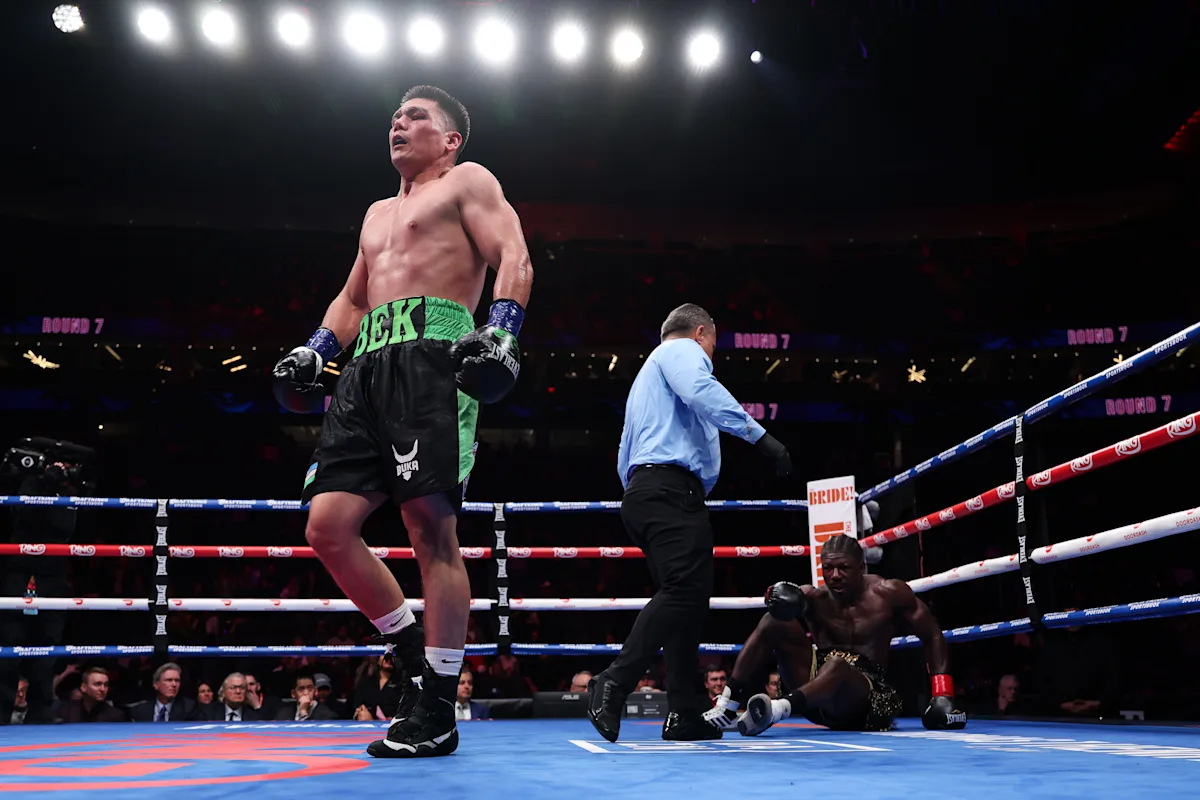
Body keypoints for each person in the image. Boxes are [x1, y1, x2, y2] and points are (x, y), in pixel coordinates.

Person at [273, 84, 532, 759]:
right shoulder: (377, 212)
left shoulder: (467, 181)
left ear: (450, 140)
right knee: (326, 526)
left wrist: (502, 330)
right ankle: (415, 659)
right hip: (365, 367)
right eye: (395, 115)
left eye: (417, 116)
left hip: (434, 356)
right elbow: (353, 297)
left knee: (430, 530)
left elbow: (513, 254)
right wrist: (316, 349)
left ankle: (439, 707)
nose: (399, 122)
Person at [587, 303, 793, 743]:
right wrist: (762, 438)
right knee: (684, 592)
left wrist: (650, 492)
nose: (711, 356)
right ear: (700, 333)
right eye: (713, 345)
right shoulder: (680, 351)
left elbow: (625, 452)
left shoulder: (648, 378)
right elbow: (702, 390)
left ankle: (683, 711)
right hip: (668, 491)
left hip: (649, 492)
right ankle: (614, 682)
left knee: (688, 603)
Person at [704, 534, 967, 734]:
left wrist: (942, 693)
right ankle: (727, 705)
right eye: (828, 568)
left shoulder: (889, 594)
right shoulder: (814, 598)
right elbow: (778, 601)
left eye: (843, 568)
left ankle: (777, 709)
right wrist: (773, 596)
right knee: (773, 621)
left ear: (861, 566)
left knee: (837, 665)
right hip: (814, 696)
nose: (835, 576)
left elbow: (932, 634)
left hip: (863, 700)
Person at [128, 663, 199, 722]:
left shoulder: (189, 708)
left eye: (177, 680)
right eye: (169, 680)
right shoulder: (139, 711)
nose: (174, 684)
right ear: (156, 685)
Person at [58, 667, 126, 723]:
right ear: (84, 687)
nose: (103, 689)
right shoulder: (66, 710)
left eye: (106, 685)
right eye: (97, 684)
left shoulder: (116, 716)